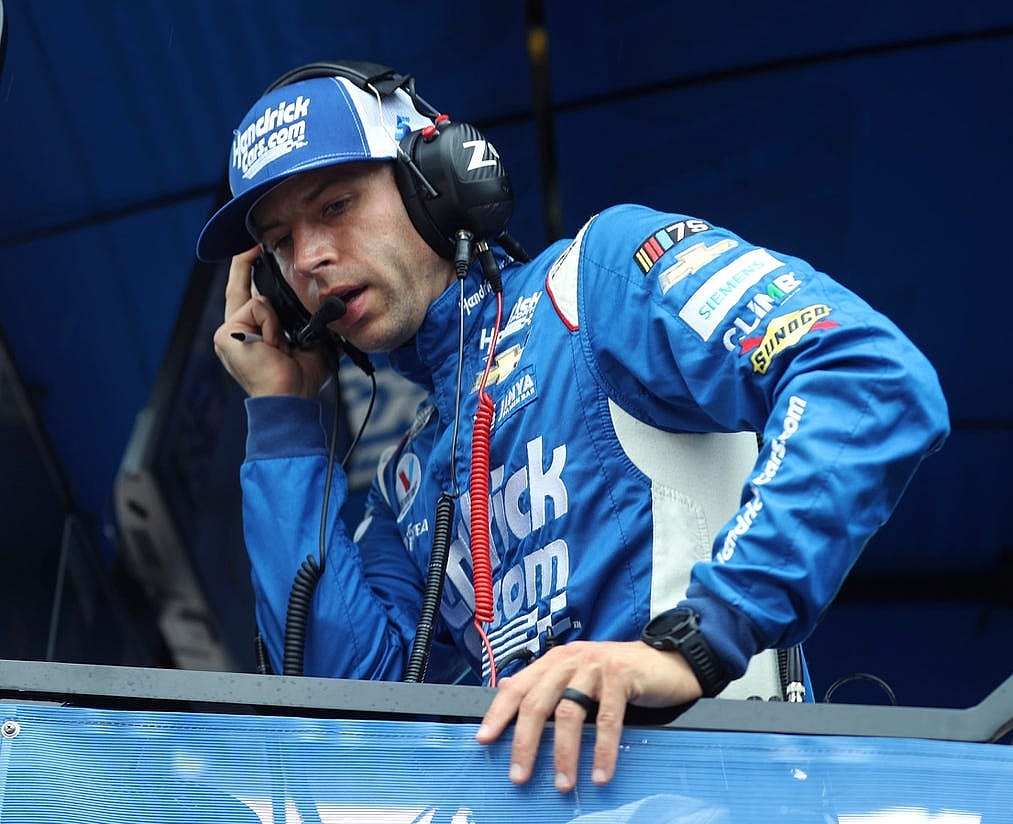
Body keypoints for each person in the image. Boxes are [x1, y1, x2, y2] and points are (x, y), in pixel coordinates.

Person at [198, 59, 950, 793]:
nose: (313, 259)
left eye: (335, 206)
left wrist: (695, 644)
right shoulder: (408, 480)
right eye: (281, 243)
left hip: (722, 793)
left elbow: (865, 378)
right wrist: (285, 417)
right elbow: (350, 714)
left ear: (438, 180)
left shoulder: (595, 281)